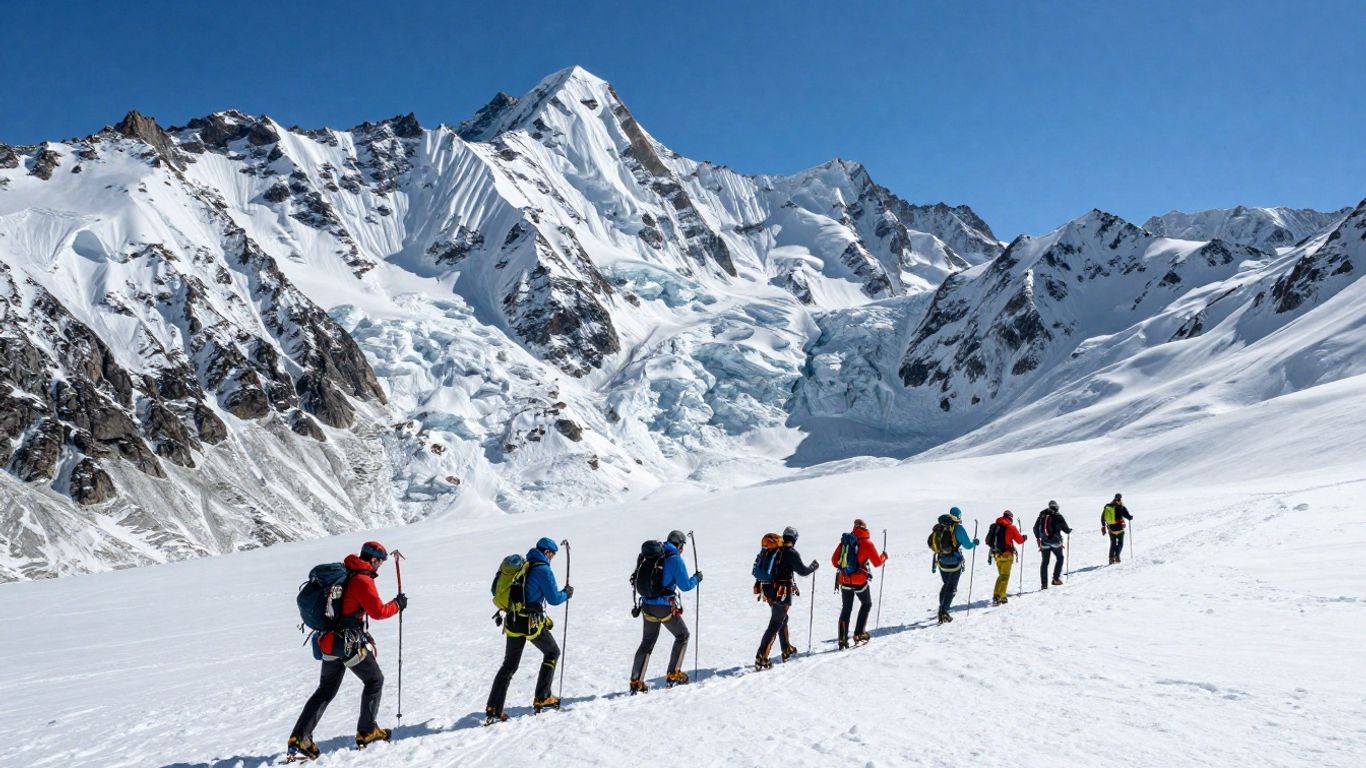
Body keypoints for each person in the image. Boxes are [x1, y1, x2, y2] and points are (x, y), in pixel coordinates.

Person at [287, 541, 406, 761]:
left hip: (329, 640)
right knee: (374, 680)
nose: (380, 566)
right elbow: (378, 612)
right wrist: (397, 604)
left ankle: (299, 737)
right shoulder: (362, 579)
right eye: (380, 562)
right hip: (348, 643)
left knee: (325, 690)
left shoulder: (347, 571)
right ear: (373, 559)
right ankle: (367, 731)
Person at [485, 537, 573, 723]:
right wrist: (567, 593)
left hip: (512, 620)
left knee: (509, 665)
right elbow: (554, 599)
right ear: (547, 552)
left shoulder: (526, 565)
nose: (552, 558)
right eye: (552, 554)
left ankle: (493, 708)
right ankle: (542, 697)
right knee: (552, 652)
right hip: (530, 623)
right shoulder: (543, 569)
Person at [630, 530, 702, 693]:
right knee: (682, 635)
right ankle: (673, 674)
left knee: (647, 641)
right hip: (664, 606)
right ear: (679, 545)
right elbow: (685, 586)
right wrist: (697, 578)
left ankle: (636, 681)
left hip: (647, 605)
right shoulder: (675, 559)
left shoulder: (652, 555)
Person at [755, 526, 819, 670]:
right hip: (782, 592)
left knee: (782, 618)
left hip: (769, 591)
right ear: (795, 539)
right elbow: (803, 571)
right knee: (775, 623)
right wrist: (813, 567)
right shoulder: (791, 552)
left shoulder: (776, 549)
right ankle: (761, 656)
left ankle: (786, 648)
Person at [830, 519, 888, 649]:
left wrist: (845, 568)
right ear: (865, 528)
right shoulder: (867, 543)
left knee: (846, 609)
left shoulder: (845, 541)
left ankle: (842, 640)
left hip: (844, 580)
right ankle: (859, 633)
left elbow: (834, 561)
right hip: (859, 581)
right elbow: (877, 563)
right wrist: (884, 556)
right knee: (866, 604)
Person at [932, 508, 978, 624]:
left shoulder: (941, 527)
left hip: (942, 561)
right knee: (952, 588)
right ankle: (943, 611)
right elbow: (968, 545)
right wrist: (974, 543)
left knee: (946, 585)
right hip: (954, 563)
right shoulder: (959, 528)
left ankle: (942, 608)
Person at [990, 511, 1027, 605]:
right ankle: (1001, 597)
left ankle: (997, 595)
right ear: (1010, 518)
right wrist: (1024, 538)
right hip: (1006, 554)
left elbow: (988, 540)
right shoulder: (1011, 527)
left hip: (996, 554)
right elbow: (1019, 540)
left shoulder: (995, 526)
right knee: (1005, 576)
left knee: (1001, 575)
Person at [1034, 500, 1072, 588]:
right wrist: (1069, 530)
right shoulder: (1057, 515)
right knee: (1060, 558)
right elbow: (1066, 529)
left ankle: (1044, 584)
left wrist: (1038, 538)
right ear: (1056, 507)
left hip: (1044, 542)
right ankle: (1056, 579)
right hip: (1055, 542)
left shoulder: (1042, 515)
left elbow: (1035, 528)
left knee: (1045, 562)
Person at [1102, 494, 1133, 564]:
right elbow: (1128, 516)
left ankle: (1111, 559)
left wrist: (1103, 526)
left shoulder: (1108, 507)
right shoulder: (1121, 507)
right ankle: (1117, 556)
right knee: (1120, 543)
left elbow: (1102, 517)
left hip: (1111, 529)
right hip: (1119, 529)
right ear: (1120, 499)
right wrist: (1130, 517)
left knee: (1113, 543)